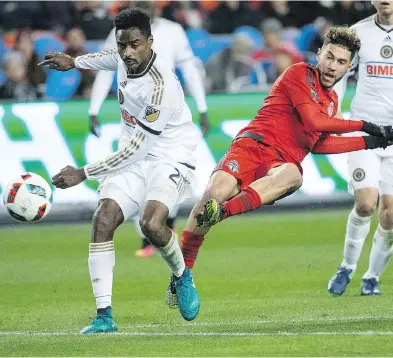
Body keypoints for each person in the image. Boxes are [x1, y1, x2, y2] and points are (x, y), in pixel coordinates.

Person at [164, 25, 393, 308]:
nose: (333, 66)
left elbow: (320, 144)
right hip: (252, 145)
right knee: (214, 192)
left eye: (341, 62)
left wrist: (371, 143)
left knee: (294, 174)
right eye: (329, 57)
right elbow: (314, 123)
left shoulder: (332, 103)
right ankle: (182, 274)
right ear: (319, 53)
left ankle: (221, 213)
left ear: (350, 67)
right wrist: (367, 126)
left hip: (280, 163)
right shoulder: (299, 73)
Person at [38, 8, 200, 333]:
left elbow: (134, 149)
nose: (127, 53)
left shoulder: (160, 86)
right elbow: (107, 57)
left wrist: (83, 172)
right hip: (136, 160)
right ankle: (104, 316)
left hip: (170, 157)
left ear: (150, 42)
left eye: (135, 44)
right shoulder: (124, 57)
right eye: (123, 44)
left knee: (152, 223)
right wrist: (75, 61)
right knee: (103, 219)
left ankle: (182, 275)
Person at [87, 1, 210, 258]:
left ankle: (165, 230)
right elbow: (103, 68)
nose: (147, 5)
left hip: (166, 109)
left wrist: (202, 106)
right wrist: (93, 108)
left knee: (164, 173)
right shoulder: (119, 33)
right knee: (138, 173)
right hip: (137, 113)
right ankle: (152, 238)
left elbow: (189, 69)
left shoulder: (174, 31)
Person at [327, 0, 393, 296]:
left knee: (390, 216)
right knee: (366, 203)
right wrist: (335, 106)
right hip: (365, 132)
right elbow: (340, 73)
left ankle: (372, 276)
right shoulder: (358, 33)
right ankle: (347, 267)